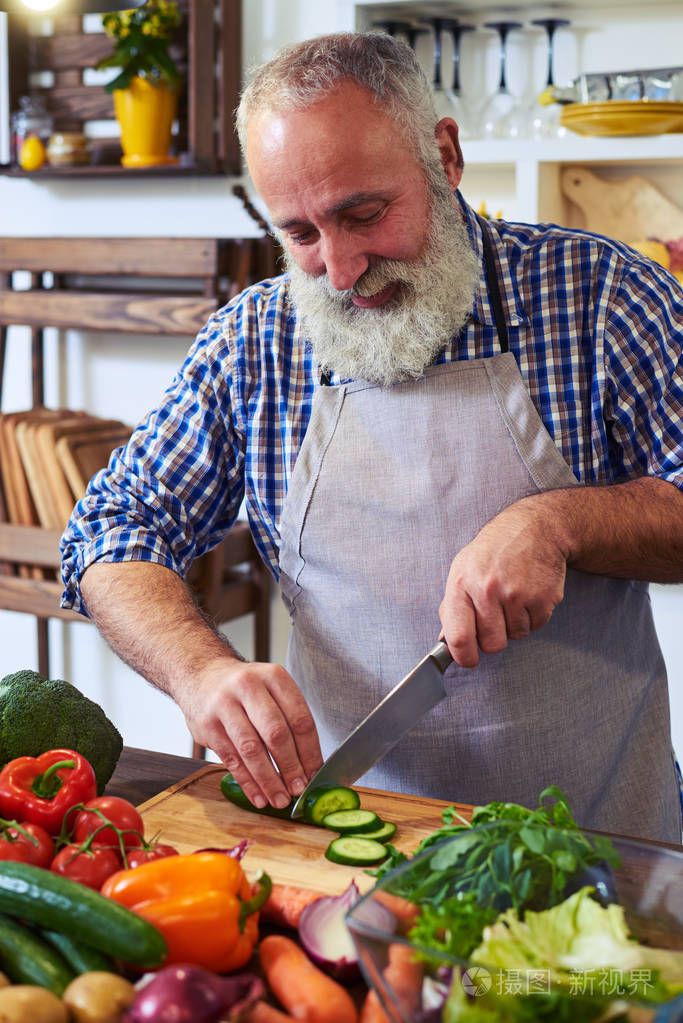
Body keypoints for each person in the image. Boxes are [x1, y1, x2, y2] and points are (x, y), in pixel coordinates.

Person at [60, 32, 683, 843]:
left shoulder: (599, 295)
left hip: (605, 843)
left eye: (364, 214)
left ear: (445, 157)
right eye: (301, 234)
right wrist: (199, 670)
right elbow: (110, 528)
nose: (342, 268)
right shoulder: (255, 342)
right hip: (359, 847)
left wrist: (556, 523)